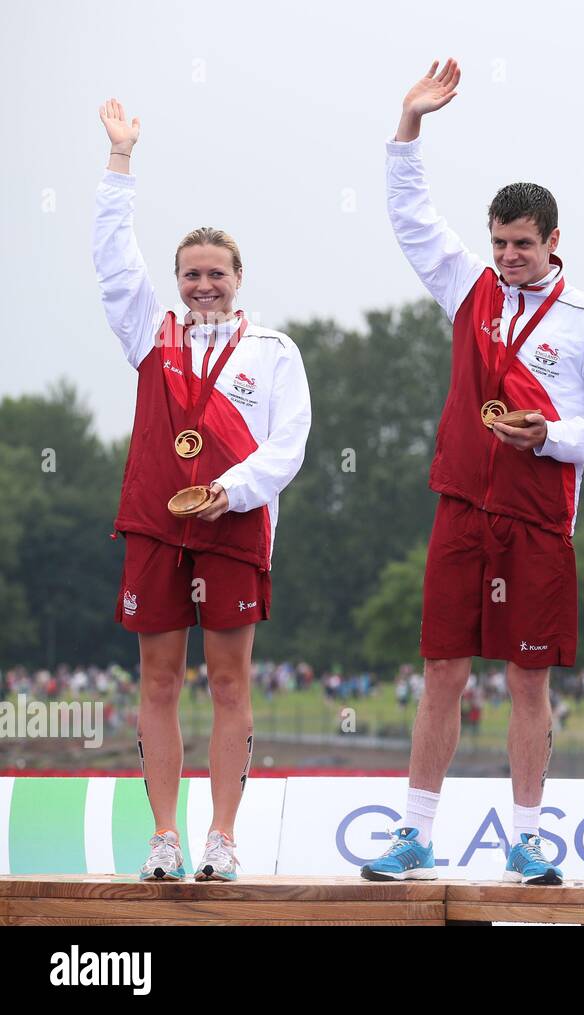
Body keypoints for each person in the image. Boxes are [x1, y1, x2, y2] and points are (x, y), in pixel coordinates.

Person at [362, 60, 584, 886]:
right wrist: (408, 127)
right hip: (459, 505)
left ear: (555, 242)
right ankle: (414, 834)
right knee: (442, 670)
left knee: (528, 679)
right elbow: (410, 217)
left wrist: (548, 434)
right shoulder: (467, 287)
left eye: (524, 244)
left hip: (539, 518)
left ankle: (526, 837)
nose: (510, 257)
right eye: (500, 243)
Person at [93, 98, 312, 882]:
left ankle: (221, 834)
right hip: (156, 524)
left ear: (239, 277)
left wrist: (235, 488)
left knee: (227, 679)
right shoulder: (149, 331)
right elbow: (114, 259)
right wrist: (121, 162)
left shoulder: (273, 350)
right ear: (178, 279)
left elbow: (288, 445)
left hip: (234, 528)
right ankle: (163, 834)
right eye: (191, 273)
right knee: (157, 678)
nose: (203, 284)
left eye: (216, 272)